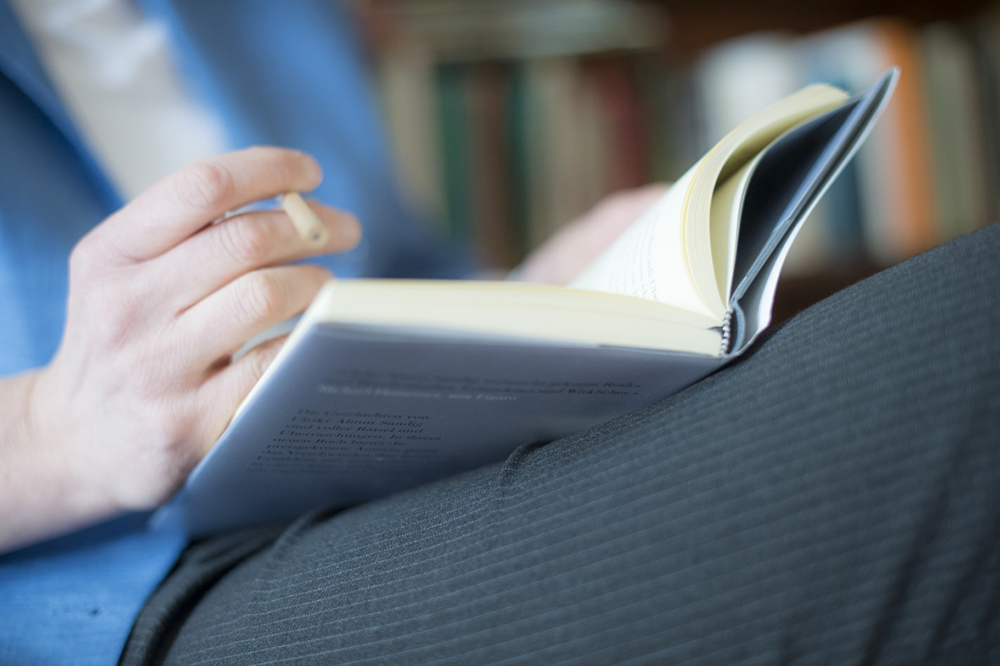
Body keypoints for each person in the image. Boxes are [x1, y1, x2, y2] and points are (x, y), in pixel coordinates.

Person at [1, 1, 998, 665]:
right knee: (964, 346)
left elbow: (385, 273)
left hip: (379, 473)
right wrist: (58, 428)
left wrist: (536, 293)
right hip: (129, 584)